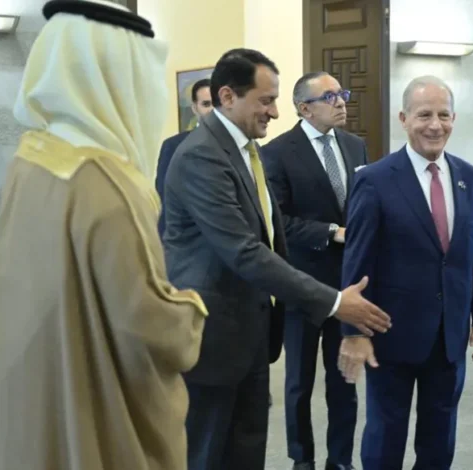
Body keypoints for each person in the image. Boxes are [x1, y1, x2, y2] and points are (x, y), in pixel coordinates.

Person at [0, 2, 208, 470]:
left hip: (38, 393)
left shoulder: (30, 160)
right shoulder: (108, 183)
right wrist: (192, 309)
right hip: (96, 410)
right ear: (117, 75)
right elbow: (146, 324)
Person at [161, 48, 391, 470]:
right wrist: (334, 301)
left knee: (246, 450)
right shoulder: (202, 156)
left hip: (250, 329)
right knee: (209, 454)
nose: (275, 112)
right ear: (228, 97)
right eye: (265, 101)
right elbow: (243, 251)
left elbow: (268, 234)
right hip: (213, 337)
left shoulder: (244, 150)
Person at [337, 76, 473, 470]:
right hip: (391, 332)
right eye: (424, 115)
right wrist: (354, 331)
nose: (435, 125)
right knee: (385, 434)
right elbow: (357, 262)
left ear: (454, 118)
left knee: (440, 435)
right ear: (404, 118)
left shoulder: (472, 179)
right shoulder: (374, 179)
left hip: (449, 334)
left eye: (444, 115)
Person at [262, 71, 366, 470]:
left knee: (344, 380)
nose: (341, 102)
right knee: (299, 383)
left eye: (342, 94)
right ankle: (301, 458)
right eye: (330, 97)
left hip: (347, 285)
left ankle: (340, 459)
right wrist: (331, 232)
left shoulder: (355, 146)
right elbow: (279, 222)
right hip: (302, 284)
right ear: (304, 108)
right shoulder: (277, 153)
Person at [156, 78, 212, 235]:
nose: (213, 110)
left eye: (217, 103)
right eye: (206, 104)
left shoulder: (238, 145)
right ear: (195, 108)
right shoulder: (173, 146)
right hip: (188, 240)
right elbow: (164, 199)